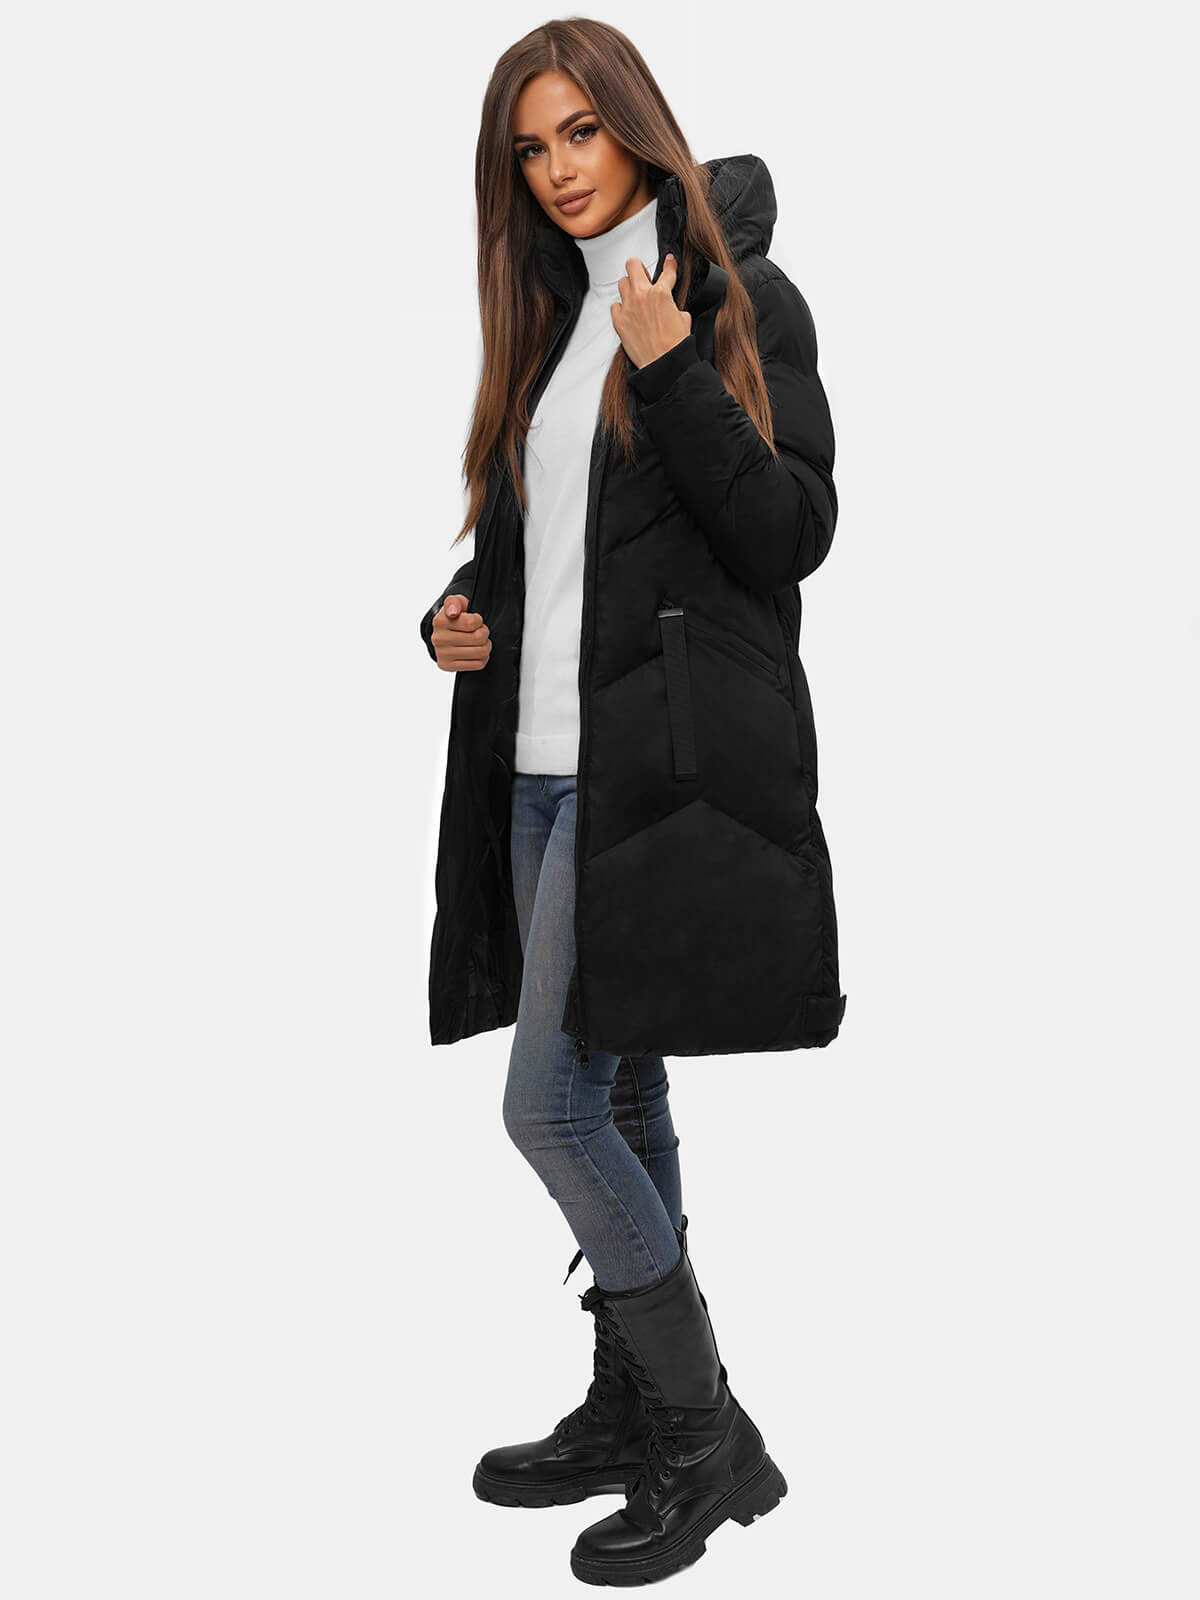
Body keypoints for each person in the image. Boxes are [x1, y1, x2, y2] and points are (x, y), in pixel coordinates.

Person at [419, 18, 845, 1587]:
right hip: (533, 773)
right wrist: (458, 618)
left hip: (646, 778)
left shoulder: (738, 300)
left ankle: (703, 1426)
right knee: (628, 1094)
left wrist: (671, 369)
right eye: (530, 149)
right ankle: (633, 1405)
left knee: (549, 1107)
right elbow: (542, 556)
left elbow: (788, 533)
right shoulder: (550, 315)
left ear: (635, 126)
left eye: (579, 133)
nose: (557, 169)